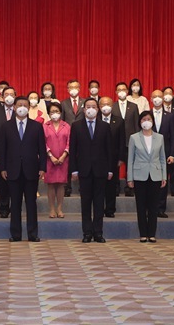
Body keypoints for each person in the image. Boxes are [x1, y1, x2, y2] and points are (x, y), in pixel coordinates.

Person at [0, 96, 46, 242]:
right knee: (15, 204)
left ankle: (33, 234)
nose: (22, 107)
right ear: (14, 107)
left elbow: (42, 149)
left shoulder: (36, 126)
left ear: (29, 108)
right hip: (12, 170)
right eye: (19, 105)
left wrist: (42, 167)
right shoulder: (6, 126)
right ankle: (16, 234)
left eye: (25, 105)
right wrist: (2, 168)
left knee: (31, 203)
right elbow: (2, 149)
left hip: (31, 170)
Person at [70, 98, 114, 243]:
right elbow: (73, 149)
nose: (90, 109)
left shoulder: (105, 126)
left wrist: (110, 170)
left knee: (99, 203)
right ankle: (87, 233)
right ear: (84, 110)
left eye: (93, 106)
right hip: (84, 170)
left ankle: (98, 233)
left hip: (100, 170)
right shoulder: (76, 126)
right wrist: (74, 170)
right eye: (88, 106)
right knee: (86, 202)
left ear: (98, 109)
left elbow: (109, 150)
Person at [126, 111, 166, 243]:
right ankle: (143, 233)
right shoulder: (134, 137)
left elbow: (162, 158)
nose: (146, 121)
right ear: (140, 122)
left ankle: (152, 233)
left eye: (149, 119)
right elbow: (130, 159)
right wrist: (130, 178)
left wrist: (164, 176)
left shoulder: (159, 137)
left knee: (153, 206)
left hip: (155, 175)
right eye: (144, 119)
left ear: (153, 121)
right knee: (141, 206)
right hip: (139, 175)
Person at [150, 89, 174, 215]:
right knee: (150, 181)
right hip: (149, 154)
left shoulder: (170, 116)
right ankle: (150, 208)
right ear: (151, 99)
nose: (157, 98)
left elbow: (173, 136)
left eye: (159, 96)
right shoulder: (147, 114)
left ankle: (161, 209)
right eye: (155, 96)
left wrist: (172, 154)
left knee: (163, 182)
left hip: (165, 153)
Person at [98, 97, 125, 217]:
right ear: (99, 107)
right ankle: (98, 209)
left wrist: (121, 158)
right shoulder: (95, 119)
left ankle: (110, 209)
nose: (105, 106)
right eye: (103, 104)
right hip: (98, 158)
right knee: (98, 186)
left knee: (111, 185)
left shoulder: (119, 121)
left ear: (112, 106)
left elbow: (122, 140)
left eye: (108, 104)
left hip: (113, 159)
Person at [43, 102, 70, 218]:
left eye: (57, 111)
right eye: (52, 112)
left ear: (61, 112)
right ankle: (52, 209)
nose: (55, 114)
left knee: (61, 185)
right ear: (48, 114)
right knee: (51, 185)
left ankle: (59, 208)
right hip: (49, 160)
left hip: (64, 159)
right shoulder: (45, 126)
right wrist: (51, 156)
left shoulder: (67, 126)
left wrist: (64, 155)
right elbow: (42, 143)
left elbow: (70, 142)